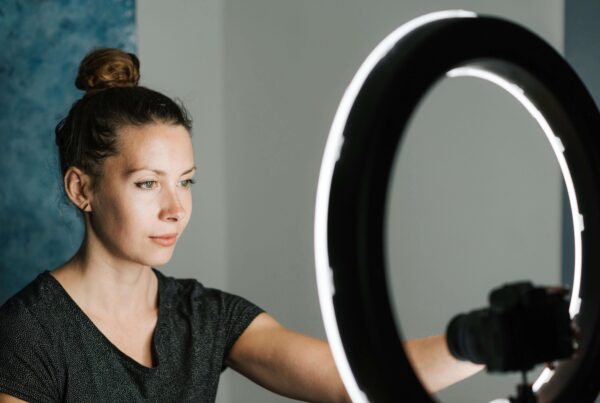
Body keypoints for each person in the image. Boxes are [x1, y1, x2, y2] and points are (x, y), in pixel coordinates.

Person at [0, 48, 482, 402]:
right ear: (81, 189)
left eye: (186, 182)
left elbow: (345, 378)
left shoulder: (204, 317)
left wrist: (481, 341)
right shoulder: (29, 334)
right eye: (148, 184)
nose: (176, 208)